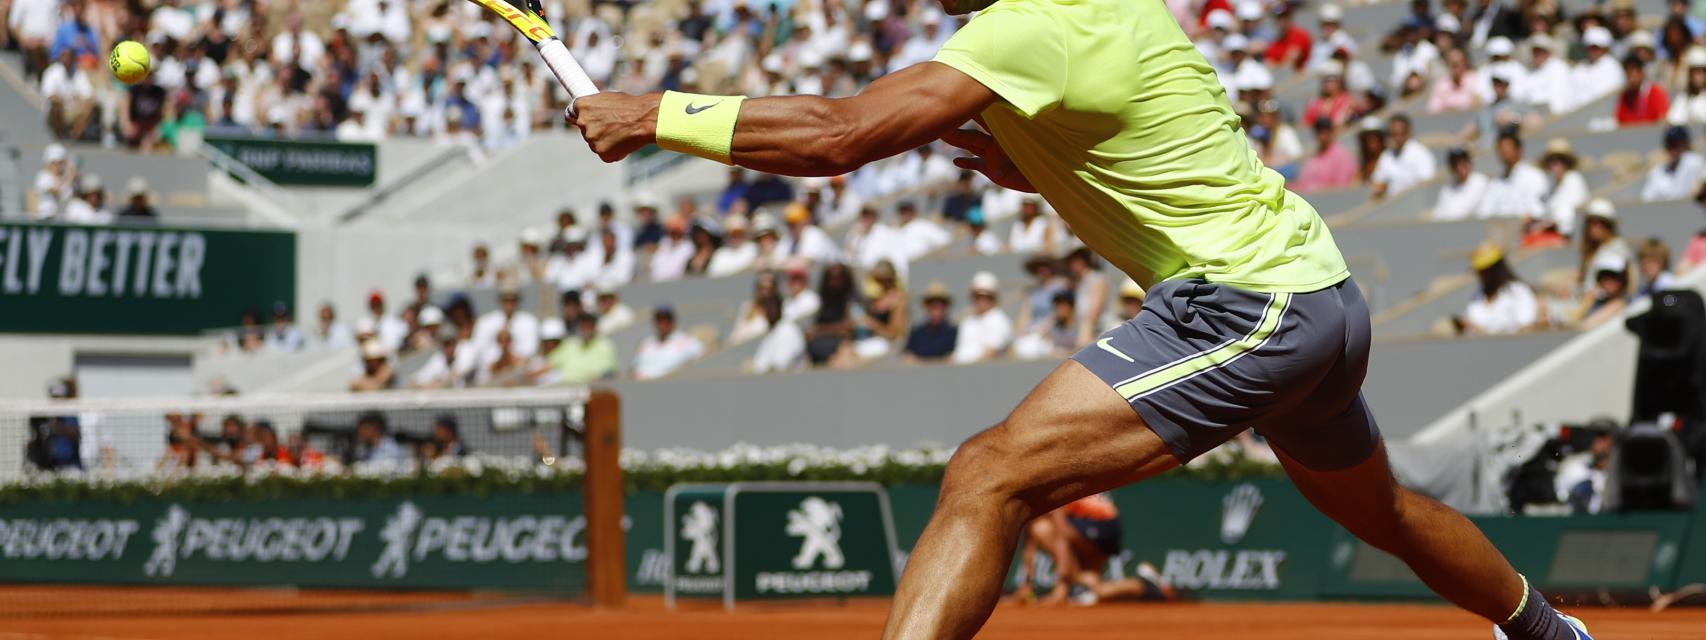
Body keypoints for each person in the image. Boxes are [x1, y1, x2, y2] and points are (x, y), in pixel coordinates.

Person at [567, 0, 1595, 632]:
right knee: (1383, 515)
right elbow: (1114, 143)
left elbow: (838, 136)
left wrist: (656, 116)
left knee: (986, 472)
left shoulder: (1033, 25)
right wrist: (1025, 161)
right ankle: (1555, 637)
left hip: (1247, 303)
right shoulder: (1110, 14)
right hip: (1315, 292)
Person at [1014, 493, 1178, 606]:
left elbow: (1062, 533)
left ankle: (1074, 584)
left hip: (1100, 522)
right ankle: (1144, 585)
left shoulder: (1046, 494)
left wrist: (1062, 585)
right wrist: (1025, 585)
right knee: (1092, 591)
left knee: (1041, 528)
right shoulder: (1033, 501)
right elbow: (1029, 545)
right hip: (1106, 524)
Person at [1455, 244, 1541, 335]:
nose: (1482, 275)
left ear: (1497, 268)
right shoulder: (1476, 297)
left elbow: (1526, 329)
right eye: (1480, 271)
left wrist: (1482, 333)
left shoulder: (1519, 292)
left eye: (1485, 270)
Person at [1477, 129, 1547, 219]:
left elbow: (1537, 210)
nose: (1505, 151)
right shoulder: (1495, 184)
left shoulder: (1534, 176)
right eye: (1501, 148)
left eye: (1508, 147)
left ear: (1519, 150)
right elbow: (1484, 213)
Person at [951, 271, 1013, 365]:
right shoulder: (967, 322)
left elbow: (990, 354)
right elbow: (957, 354)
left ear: (994, 297)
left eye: (986, 296)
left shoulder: (1000, 320)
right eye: (977, 296)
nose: (981, 300)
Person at [1577, 199, 1635, 295]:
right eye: (1591, 222)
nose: (1594, 227)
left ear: (1609, 226)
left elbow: (1612, 287)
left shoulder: (1617, 248)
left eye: (1600, 223)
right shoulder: (1593, 248)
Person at [1370, 114, 1436, 198]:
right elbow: (1378, 182)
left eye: (1400, 133)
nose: (1397, 138)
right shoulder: (1386, 155)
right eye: (1393, 134)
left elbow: (1426, 184)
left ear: (1409, 132)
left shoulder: (1421, 154)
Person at [632, 306, 704, 380]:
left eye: (666, 319)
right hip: (642, 385)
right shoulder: (646, 343)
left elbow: (701, 361)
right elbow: (634, 367)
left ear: (673, 321)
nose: (662, 324)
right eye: (658, 320)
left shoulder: (687, 341)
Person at [1291, 117, 1357, 193]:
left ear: (1332, 132)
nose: (1322, 135)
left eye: (1325, 131)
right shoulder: (1313, 157)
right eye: (1319, 131)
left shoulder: (1342, 156)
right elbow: (1302, 183)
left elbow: (1341, 187)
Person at [1640, 125, 1705, 202]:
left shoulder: (1695, 162)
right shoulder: (1657, 172)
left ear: (1687, 144)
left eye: (1679, 144)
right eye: (1671, 145)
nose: (1674, 150)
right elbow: (1646, 199)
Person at [550, 313, 619, 384]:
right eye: (582, 326)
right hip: (564, 387)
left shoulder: (605, 345)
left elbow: (608, 373)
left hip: (592, 389)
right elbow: (549, 364)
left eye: (588, 326)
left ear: (595, 327)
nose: (585, 329)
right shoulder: (570, 344)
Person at [903, 282, 959, 363]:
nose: (936, 310)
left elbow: (953, 358)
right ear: (926, 307)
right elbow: (907, 356)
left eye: (940, 305)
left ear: (946, 307)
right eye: (932, 305)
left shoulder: (953, 332)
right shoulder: (917, 332)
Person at [750, 294, 805, 374]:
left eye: (774, 307)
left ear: (780, 309)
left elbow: (781, 363)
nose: (771, 311)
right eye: (768, 307)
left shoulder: (789, 329)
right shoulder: (769, 334)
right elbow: (760, 364)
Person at [1433, 147, 1489, 221]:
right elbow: (1439, 214)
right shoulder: (1447, 188)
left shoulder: (1480, 181)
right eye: (1455, 163)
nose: (1459, 167)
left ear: (1469, 162)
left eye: (1463, 162)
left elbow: (1467, 211)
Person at [1615, 55, 1670, 126]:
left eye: (1634, 71)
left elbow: (1662, 121)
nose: (1632, 76)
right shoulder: (1625, 96)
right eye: (1628, 72)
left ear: (1642, 72)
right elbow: (1620, 123)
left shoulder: (1656, 92)